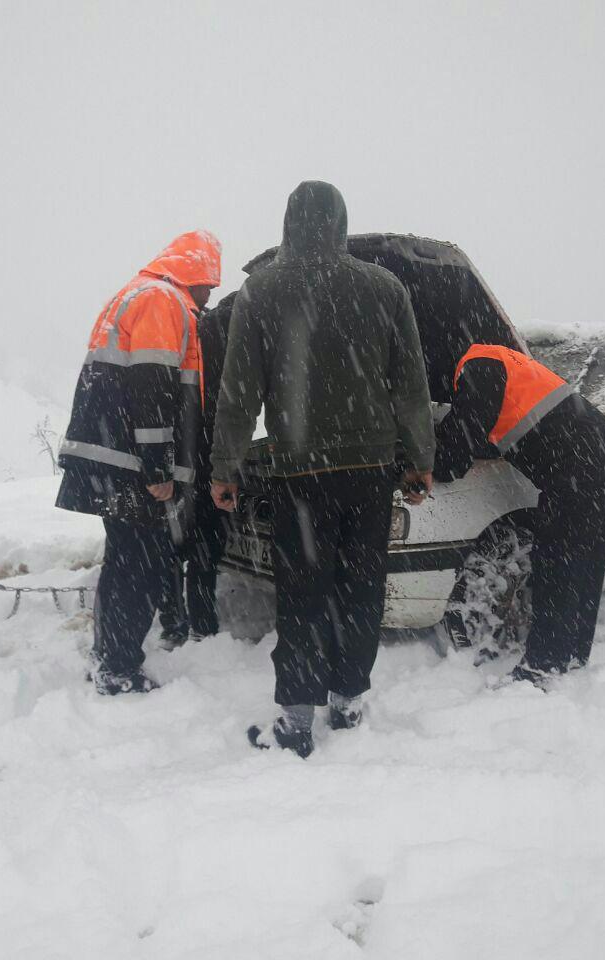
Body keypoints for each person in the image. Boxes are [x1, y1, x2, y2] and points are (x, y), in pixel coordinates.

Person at [210, 181, 434, 758]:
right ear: (340, 223)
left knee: (304, 592)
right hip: (371, 468)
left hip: (301, 474)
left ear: (288, 223)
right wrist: (419, 460)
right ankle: (349, 700)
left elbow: (239, 394)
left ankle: (297, 721)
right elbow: (410, 386)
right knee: (361, 587)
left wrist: (226, 468)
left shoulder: (261, 292)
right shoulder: (385, 288)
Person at [56, 230, 221, 695]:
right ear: (198, 275)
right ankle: (119, 669)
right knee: (140, 566)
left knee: (124, 561)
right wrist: (157, 468)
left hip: (110, 455)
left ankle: (108, 657)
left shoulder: (136, 294)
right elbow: (153, 386)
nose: (212, 295)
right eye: (211, 284)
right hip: (130, 462)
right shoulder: (161, 301)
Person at [432, 343, 605, 684]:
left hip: (579, 464)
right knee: (584, 563)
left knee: (559, 561)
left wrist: (423, 465)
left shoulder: (476, 369)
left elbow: (458, 446)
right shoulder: (498, 361)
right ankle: (572, 655)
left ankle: (543, 664)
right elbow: (469, 422)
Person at [156, 292, 235, 649]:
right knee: (204, 545)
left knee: (175, 541)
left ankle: (175, 622)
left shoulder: (194, 327)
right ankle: (200, 624)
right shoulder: (223, 333)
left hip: (183, 450)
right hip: (208, 452)